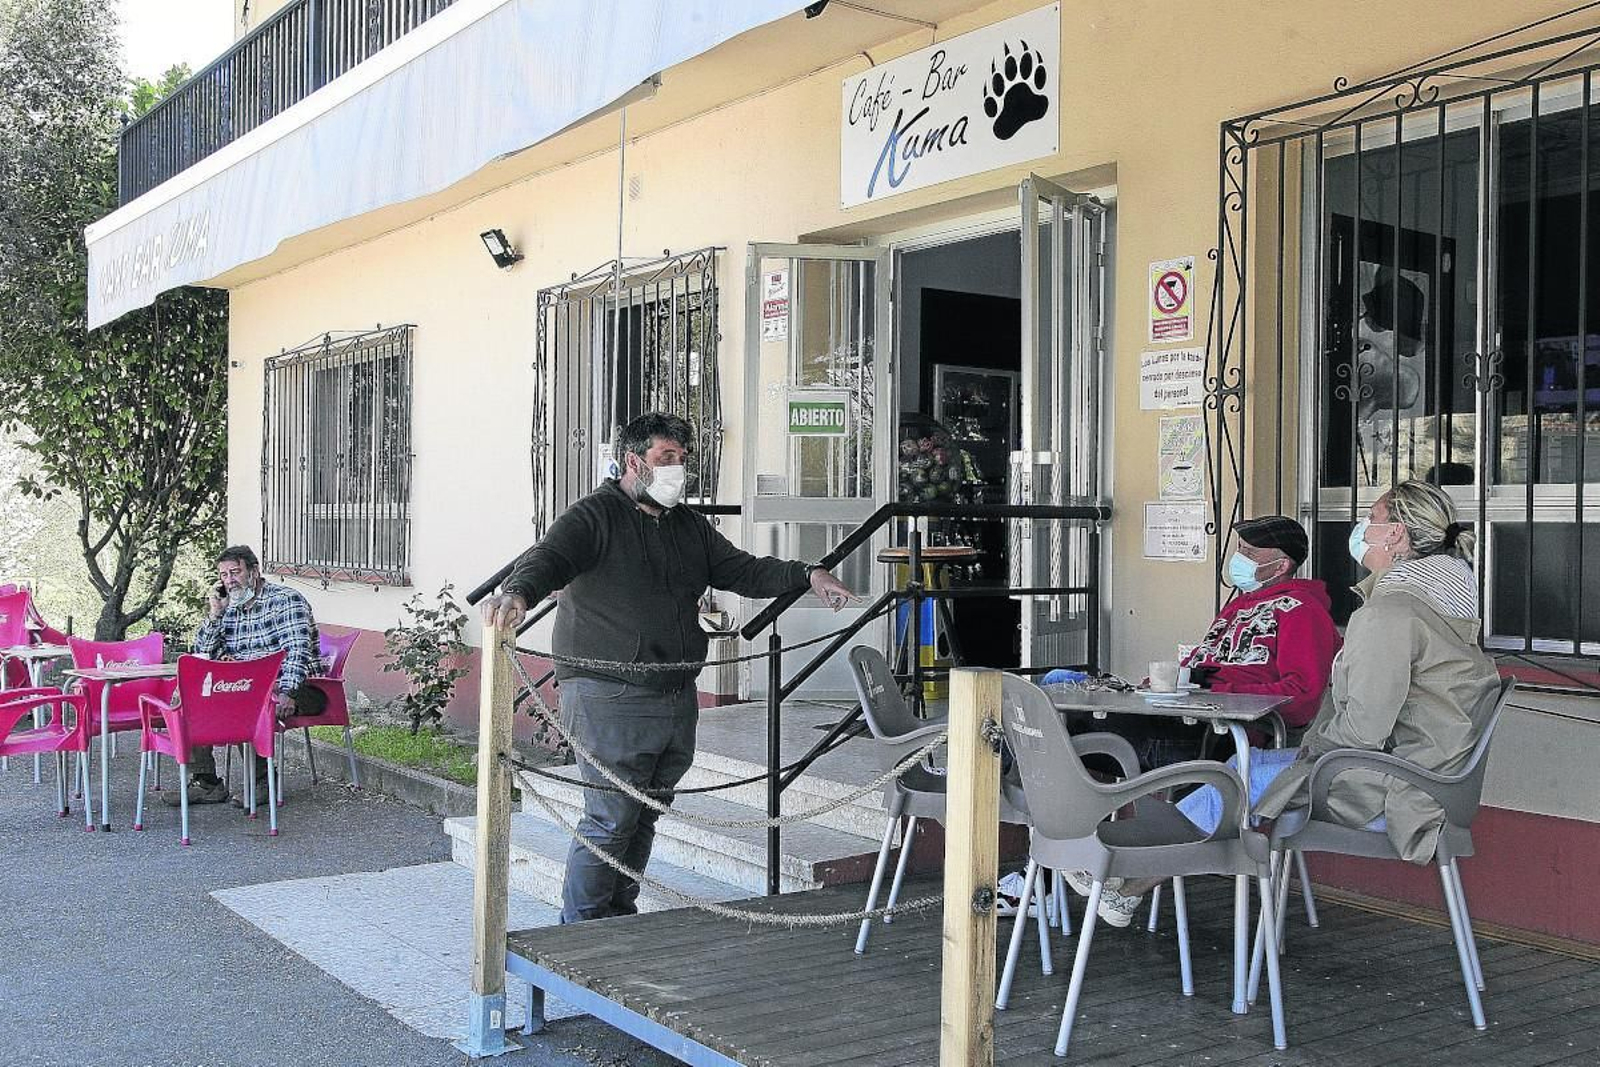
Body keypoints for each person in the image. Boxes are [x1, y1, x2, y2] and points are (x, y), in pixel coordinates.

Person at [479, 412, 858, 923]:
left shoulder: (688, 526)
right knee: (610, 819)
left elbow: (742, 570)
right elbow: (548, 558)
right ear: (633, 461)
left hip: (674, 693)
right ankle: (582, 935)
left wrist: (808, 574)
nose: (677, 468)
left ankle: (618, 919)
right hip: (608, 692)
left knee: (644, 816)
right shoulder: (592, 517)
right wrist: (518, 594)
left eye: (682, 458)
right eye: (665, 458)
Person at [1090, 481, 1500, 924]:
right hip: (1434, 779)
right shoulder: (1445, 603)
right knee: (1241, 771)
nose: (1363, 528)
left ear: (1396, 534)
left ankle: (1123, 879)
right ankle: (1124, 880)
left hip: (1398, 786)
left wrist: (1306, 755)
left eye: (1372, 519)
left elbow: (1362, 729)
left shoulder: (1389, 614)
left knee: (1235, 781)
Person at [167, 545, 322, 806]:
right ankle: (206, 781)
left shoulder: (286, 600)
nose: (229, 580)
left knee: (243, 697)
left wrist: (289, 692)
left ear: (254, 571)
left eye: (235, 572)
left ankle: (263, 781)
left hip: (301, 687)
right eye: (224, 575)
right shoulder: (229, 607)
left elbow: (298, 651)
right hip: (248, 684)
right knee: (187, 695)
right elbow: (202, 654)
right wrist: (215, 615)